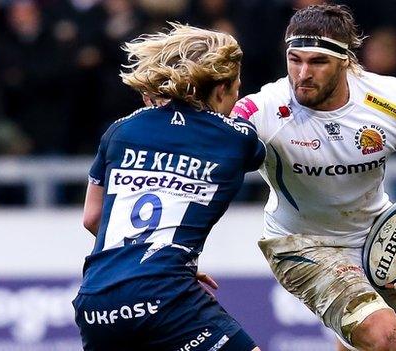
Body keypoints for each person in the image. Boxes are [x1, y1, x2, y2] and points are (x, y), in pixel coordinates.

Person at [232, 4, 396, 351]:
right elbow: (207, 167)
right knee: (387, 338)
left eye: (317, 62)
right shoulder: (262, 110)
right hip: (299, 243)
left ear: (345, 60)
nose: (302, 74)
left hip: (377, 242)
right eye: (295, 59)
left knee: (360, 345)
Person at [73, 23, 265, 351]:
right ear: (220, 89)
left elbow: (92, 219)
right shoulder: (237, 137)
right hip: (164, 294)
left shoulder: (120, 130)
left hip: (95, 302)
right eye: (236, 89)